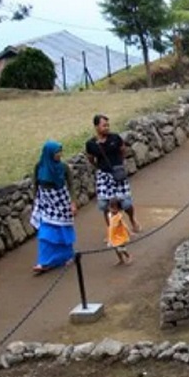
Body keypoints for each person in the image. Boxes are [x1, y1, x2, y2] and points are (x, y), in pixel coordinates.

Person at [85, 113, 141, 233]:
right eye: (104, 125)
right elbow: (90, 158)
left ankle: (132, 220)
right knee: (105, 205)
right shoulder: (91, 144)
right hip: (103, 176)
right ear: (96, 127)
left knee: (125, 203)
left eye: (108, 125)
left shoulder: (115, 138)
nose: (107, 128)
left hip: (117, 174)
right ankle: (111, 231)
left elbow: (123, 150)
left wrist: (119, 165)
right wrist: (100, 168)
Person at [30, 140, 77, 275]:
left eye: (60, 152)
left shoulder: (63, 167)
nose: (59, 155)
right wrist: (36, 204)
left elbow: (71, 185)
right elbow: (35, 185)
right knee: (45, 234)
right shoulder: (39, 167)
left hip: (61, 202)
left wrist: (73, 203)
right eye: (57, 152)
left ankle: (67, 256)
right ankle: (44, 262)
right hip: (46, 203)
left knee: (63, 230)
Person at [106, 197, 133, 265]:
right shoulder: (109, 215)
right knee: (116, 249)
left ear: (119, 208)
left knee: (121, 248)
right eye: (111, 208)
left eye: (115, 208)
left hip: (119, 235)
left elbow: (124, 224)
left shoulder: (119, 216)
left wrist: (129, 232)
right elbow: (110, 225)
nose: (112, 210)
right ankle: (121, 259)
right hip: (113, 235)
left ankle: (128, 256)